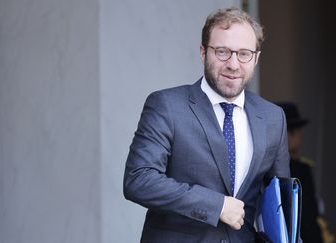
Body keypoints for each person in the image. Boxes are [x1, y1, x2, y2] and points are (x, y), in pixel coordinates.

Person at [124, 7, 291, 243]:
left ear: (256, 58)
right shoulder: (167, 105)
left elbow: (281, 204)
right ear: (203, 53)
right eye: (222, 52)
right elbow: (138, 180)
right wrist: (217, 205)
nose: (233, 64)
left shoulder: (274, 117)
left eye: (244, 54)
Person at [277, 102, 325, 243]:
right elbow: (308, 218)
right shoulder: (299, 171)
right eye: (297, 131)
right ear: (289, 134)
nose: (300, 136)